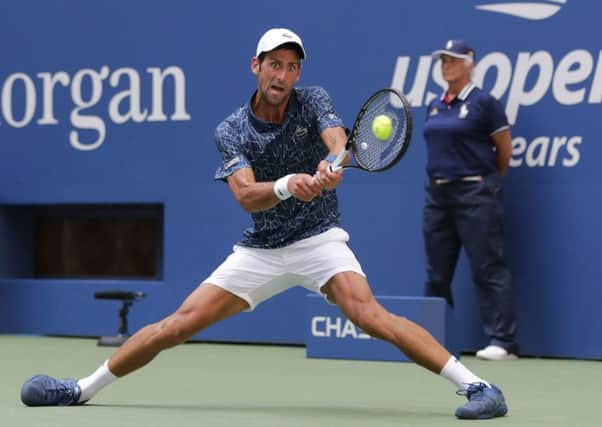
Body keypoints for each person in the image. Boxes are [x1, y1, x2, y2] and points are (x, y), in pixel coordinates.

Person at [20, 28, 508, 419]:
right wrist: (287, 183)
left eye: (292, 65)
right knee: (178, 325)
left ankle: (478, 386)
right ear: (257, 67)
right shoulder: (231, 130)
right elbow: (247, 197)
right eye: (275, 63)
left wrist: (333, 162)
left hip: (319, 239)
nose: (284, 73)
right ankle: (81, 389)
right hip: (262, 249)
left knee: (368, 314)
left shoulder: (312, 99)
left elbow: (337, 139)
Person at [422, 39, 519, 361]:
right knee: (437, 273)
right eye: (443, 60)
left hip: (476, 193)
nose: (446, 65)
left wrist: (485, 182)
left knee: (487, 267)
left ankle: (503, 342)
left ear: (469, 64)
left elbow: (503, 151)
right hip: (438, 195)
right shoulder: (435, 104)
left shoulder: (484, 103)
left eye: (453, 60)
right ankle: (433, 342)